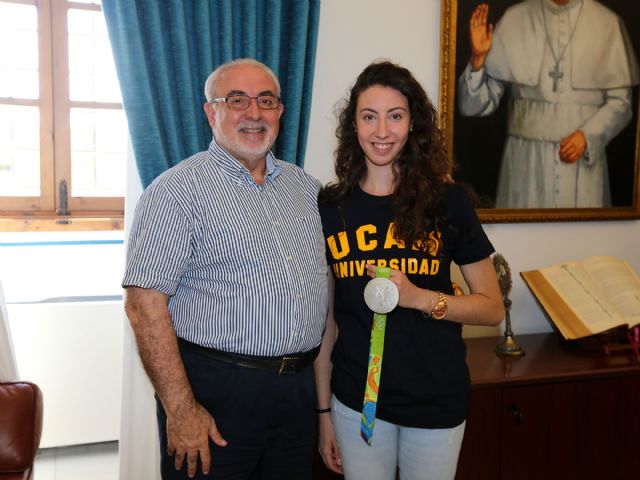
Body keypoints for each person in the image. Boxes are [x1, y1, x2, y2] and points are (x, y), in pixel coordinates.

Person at [122, 58, 328, 480]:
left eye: (266, 101)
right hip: (216, 396)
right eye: (237, 100)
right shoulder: (175, 192)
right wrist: (181, 410)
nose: (254, 113)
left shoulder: (306, 189)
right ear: (210, 111)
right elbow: (144, 308)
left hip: (297, 394)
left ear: (280, 112)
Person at [314, 61, 505, 480]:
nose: (382, 131)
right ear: (353, 126)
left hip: (435, 401)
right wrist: (324, 412)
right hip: (356, 404)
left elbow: (492, 309)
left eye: (395, 116)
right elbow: (326, 322)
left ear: (413, 122)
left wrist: (418, 297)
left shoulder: (448, 202)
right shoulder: (330, 208)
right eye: (369, 116)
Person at [458, 0, 640, 208]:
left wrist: (588, 136)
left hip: (583, 164)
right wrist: (478, 60)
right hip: (526, 164)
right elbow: (472, 105)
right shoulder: (515, 18)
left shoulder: (607, 22)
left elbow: (621, 103)